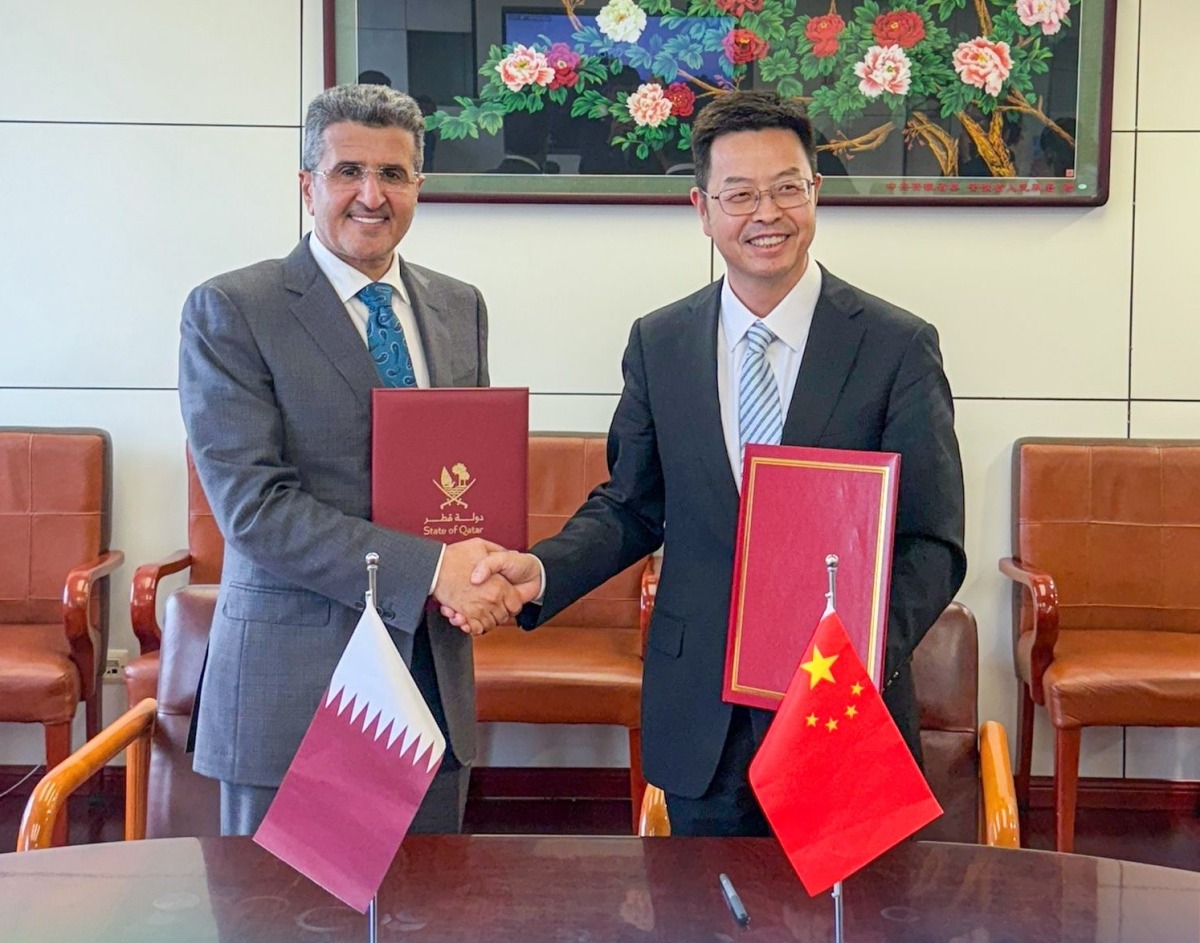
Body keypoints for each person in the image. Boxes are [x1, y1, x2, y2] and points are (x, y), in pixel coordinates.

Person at [455, 90, 966, 837]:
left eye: (788, 187)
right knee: (706, 914)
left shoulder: (895, 345)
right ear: (702, 207)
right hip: (703, 714)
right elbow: (631, 505)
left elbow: (933, 538)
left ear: (816, 191)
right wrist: (543, 570)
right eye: (741, 194)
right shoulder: (660, 342)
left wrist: (858, 645)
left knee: (849, 920)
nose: (768, 213)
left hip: (838, 705)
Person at [178, 84, 521, 836]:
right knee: (283, 918)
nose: (372, 195)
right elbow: (256, 512)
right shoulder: (234, 309)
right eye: (347, 172)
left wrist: (485, 570)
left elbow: (464, 478)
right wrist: (435, 570)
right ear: (308, 186)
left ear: (419, 187)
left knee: (426, 915)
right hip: (293, 691)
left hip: (430, 682)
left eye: (393, 175)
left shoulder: (459, 306)